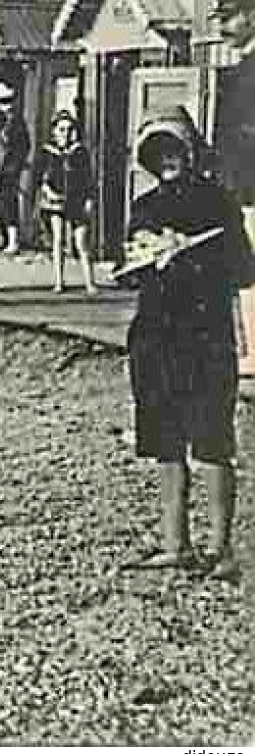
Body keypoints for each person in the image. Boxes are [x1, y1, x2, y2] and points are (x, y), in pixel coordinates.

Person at [117, 110, 252, 581]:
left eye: (174, 150)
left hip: (206, 335)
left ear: (191, 151)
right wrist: (143, 260)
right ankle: (175, 543)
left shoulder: (218, 202)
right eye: (158, 153)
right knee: (165, 440)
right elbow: (129, 265)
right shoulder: (144, 204)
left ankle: (221, 548)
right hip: (155, 336)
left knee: (212, 439)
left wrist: (190, 257)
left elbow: (243, 269)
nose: (168, 160)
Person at [28, 110, 97, 294]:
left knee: (81, 241)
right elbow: (38, 176)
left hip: (77, 200)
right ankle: (59, 281)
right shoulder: (47, 152)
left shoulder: (80, 152)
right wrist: (44, 190)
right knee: (58, 240)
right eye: (61, 129)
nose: (65, 133)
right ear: (54, 131)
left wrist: (89, 199)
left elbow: (88, 178)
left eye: (68, 129)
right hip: (55, 201)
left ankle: (90, 282)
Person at [0, 82, 30, 255]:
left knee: (9, 202)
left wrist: (13, 166)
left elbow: (24, 145)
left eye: (8, 101)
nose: (5, 106)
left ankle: (13, 239)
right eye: (1, 102)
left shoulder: (17, 122)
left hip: (10, 168)